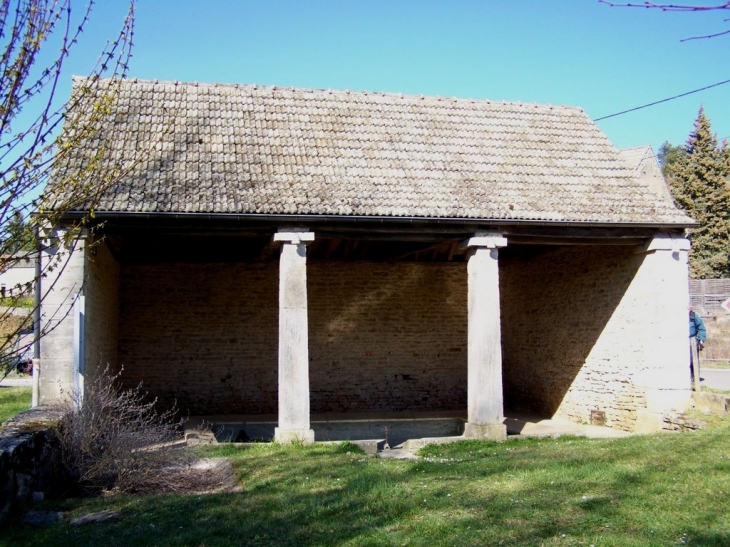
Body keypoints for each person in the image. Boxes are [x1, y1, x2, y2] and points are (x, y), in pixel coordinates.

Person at [689, 306, 706, 387]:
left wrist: (701, 339)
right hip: (680, 342)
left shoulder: (694, 316)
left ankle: (694, 378)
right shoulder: (677, 315)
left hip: (692, 341)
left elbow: (701, 329)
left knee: (693, 360)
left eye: (689, 307)